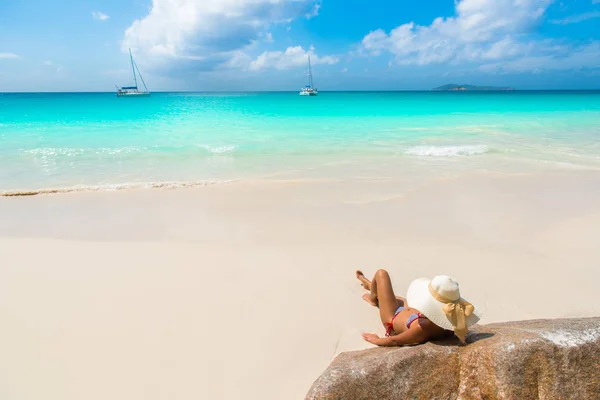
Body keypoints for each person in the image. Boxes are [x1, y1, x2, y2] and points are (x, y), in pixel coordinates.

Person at [357, 269, 480, 347]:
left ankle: (373, 297)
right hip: (412, 312)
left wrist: (377, 340)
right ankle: (374, 288)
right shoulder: (452, 318)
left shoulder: (423, 329)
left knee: (381, 274)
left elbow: (396, 341)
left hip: (393, 316)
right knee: (395, 297)